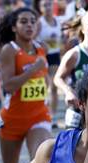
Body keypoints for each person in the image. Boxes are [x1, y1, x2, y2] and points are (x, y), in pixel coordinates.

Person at [0, 8, 51, 163]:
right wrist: (33, 71)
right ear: (14, 27)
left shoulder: (41, 48)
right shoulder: (10, 50)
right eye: (23, 22)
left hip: (38, 117)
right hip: (12, 120)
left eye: (32, 21)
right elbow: (7, 86)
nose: (29, 25)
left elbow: (45, 78)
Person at [34, 0, 62, 129]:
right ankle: (41, 113)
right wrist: (41, 47)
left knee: (55, 87)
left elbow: (60, 39)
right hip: (43, 57)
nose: (48, 7)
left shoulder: (57, 21)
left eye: (49, 4)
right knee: (45, 86)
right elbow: (32, 39)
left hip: (55, 56)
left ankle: (53, 116)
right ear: (40, 8)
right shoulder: (39, 23)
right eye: (44, 5)